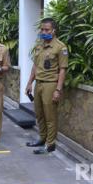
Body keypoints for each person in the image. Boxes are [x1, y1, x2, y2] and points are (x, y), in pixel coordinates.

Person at [25, 18, 68, 154]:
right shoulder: (39, 46)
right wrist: (29, 83)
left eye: (47, 30)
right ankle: (42, 138)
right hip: (39, 84)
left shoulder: (61, 47)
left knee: (50, 116)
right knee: (39, 114)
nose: (44, 32)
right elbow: (35, 66)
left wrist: (58, 90)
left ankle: (50, 144)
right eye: (42, 29)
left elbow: (62, 69)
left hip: (51, 84)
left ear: (53, 30)